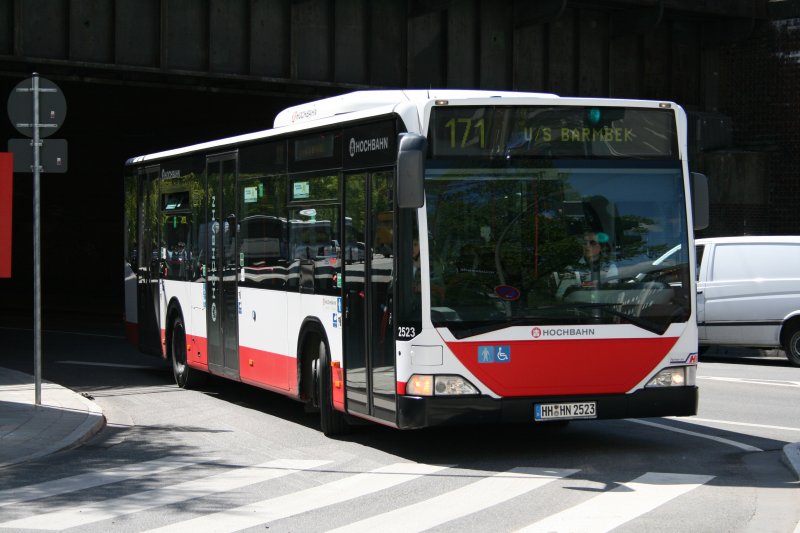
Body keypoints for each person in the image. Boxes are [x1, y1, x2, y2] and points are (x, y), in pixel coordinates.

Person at [556, 230, 618, 297]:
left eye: (592, 243)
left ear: (601, 246)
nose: (587, 246)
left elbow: (612, 292)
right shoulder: (571, 269)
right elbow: (560, 296)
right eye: (585, 243)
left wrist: (582, 285)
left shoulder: (610, 267)